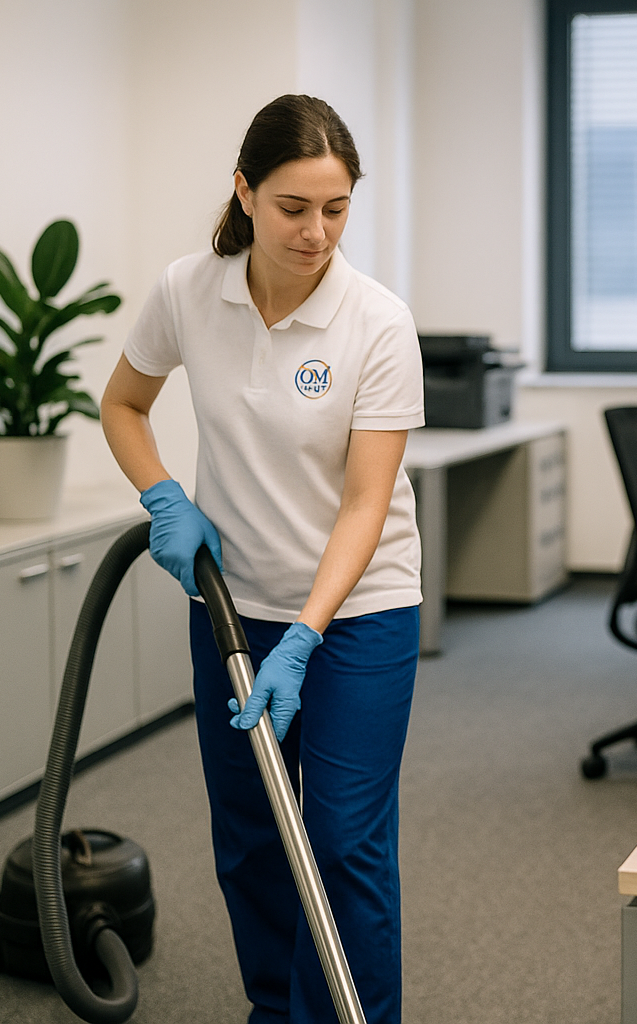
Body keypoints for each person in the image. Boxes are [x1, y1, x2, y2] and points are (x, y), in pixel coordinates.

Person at [100, 94, 425, 1024]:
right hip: (233, 606)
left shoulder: (377, 322)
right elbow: (122, 403)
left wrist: (307, 633)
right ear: (244, 192)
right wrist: (164, 495)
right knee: (249, 837)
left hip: (359, 615)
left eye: (336, 208)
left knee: (341, 840)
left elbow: (369, 502)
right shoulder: (188, 289)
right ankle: (276, 1012)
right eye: (293, 207)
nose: (316, 232)